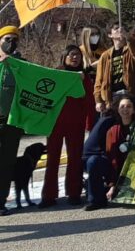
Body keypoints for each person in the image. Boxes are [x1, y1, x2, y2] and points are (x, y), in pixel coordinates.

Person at [41, 45, 95, 207]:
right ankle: (49, 196)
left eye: (78, 55)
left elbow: (89, 101)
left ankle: (74, 193)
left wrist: (90, 123)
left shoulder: (84, 77)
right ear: (64, 57)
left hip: (76, 124)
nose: (75, 57)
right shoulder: (55, 74)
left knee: (75, 159)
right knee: (52, 159)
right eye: (72, 55)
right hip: (55, 123)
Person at [83, 93, 135, 211]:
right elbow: (113, 158)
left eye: (129, 106)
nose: (125, 109)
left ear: (134, 109)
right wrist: (113, 184)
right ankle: (96, 200)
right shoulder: (112, 129)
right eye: (122, 107)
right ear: (117, 110)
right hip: (116, 164)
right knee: (93, 161)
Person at [93, 25, 135, 114]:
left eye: (122, 28)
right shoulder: (105, 56)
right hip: (111, 97)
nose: (120, 30)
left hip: (130, 95)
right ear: (110, 35)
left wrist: (128, 37)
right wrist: (98, 100)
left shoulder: (131, 49)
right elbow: (99, 80)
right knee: (106, 122)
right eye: (116, 28)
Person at [0, 26, 24, 215]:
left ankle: (1, 201)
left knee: (7, 163)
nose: (11, 43)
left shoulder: (23, 65)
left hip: (13, 121)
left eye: (14, 40)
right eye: (7, 39)